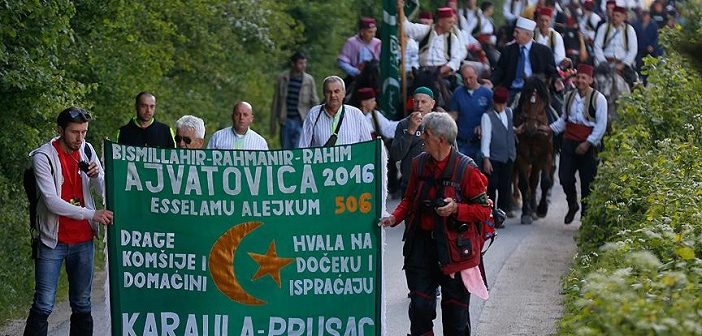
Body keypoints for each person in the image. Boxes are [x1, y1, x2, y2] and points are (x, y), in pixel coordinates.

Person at [379, 112, 491, 336]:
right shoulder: (419, 164)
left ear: (440, 139)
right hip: (421, 247)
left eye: (426, 135)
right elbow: (409, 199)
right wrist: (394, 217)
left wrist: (457, 209)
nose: (422, 139)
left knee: (455, 318)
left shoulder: (467, 170)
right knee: (419, 309)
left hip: (455, 251)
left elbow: (484, 211)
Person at [24, 107, 113, 336]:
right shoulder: (43, 157)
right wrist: (91, 214)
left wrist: (97, 177)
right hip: (52, 239)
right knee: (43, 304)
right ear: (60, 130)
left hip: (83, 240)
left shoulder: (88, 150)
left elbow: (104, 192)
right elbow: (52, 201)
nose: (80, 138)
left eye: (84, 132)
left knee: (82, 304)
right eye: (75, 132)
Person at [545, 64, 607, 224]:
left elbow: (601, 126)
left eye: (583, 78)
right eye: (578, 77)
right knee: (564, 177)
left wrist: (588, 143)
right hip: (569, 142)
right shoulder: (569, 97)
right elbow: (563, 121)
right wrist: (549, 129)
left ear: (590, 80)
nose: (580, 80)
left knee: (588, 181)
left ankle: (585, 217)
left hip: (588, 145)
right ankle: (572, 204)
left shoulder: (599, 99)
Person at [491, 17, 561, 104]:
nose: (514, 34)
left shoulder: (544, 51)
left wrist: (557, 80)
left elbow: (552, 72)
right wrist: (491, 82)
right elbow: (499, 70)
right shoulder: (508, 50)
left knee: (554, 113)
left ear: (528, 35)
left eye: (517, 32)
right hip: (511, 90)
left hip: (535, 91)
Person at [298, 76, 372, 148]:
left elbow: (367, 148)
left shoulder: (356, 114)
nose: (333, 95)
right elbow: (303, 147)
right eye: (329, 92)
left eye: (336, 91)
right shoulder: (314, 114)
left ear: (344, 93)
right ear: (324, 94)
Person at [390, 86, 437, 195]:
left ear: (432, 104)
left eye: (423, 102)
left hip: (435, 183)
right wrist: (410, 131)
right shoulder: (404, 124)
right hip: (410, 183)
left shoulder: (441, 123)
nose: (419, 106)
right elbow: (396, 155)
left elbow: (454, 152)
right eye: (416, 102)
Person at [271, 51, 320, 149]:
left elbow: (314, 100)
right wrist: (273, 124)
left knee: (298, 149)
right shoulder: (283, 78)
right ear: (293, 64)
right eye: (300, 63)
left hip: (301, 120)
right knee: (285, 150)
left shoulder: (309, 80)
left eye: (304, 63)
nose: (303, 66)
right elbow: (276, 102)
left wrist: (315, 121)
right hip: (286, 120)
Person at [480, 87, 516, 221]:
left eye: (503, 104)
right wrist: (486, 158)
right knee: (492, 185)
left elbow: (509, 130)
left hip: (508, 156)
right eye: (498, 104)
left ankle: (502, 213)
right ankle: (490, 213)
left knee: (505, 186)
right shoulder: (487, 116)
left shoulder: (509, 112)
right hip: (494, 157)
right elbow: (486, 138)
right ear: (494, 103)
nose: (501, 107)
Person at [401, 4, 465, 77]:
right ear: (440, 22)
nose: (452, 25)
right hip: (422, 72)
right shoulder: (425, 31)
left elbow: (456, 60)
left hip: (441, 74)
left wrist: (441, 71)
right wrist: (400, 9)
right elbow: (406, 28)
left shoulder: (452, 38)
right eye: (449, 22)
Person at [448, 63, 492, 164]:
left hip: (479, 143)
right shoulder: (458, 93)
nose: (468, 81)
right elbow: (454, 114)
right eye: (465, 79)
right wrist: (444, 116)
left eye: (471, 78)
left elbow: (492, 117)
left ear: (476, 75)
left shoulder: (487, 93)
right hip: (462, 142)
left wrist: (483, 126)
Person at [593, 6, 638, 82]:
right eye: (613, 15)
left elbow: (633, 50)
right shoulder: (603, 28)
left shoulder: (629, 29)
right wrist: (603, 62)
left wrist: (624, 64)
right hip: (605, 63)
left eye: (617, 16)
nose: (614, 17)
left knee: (634, 83)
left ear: (623, 17)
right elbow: (597, 46)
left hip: (622, 64)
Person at [337, 17, 382, 86]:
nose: (373, 35)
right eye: (370, 32)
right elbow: (342, 62)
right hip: (355, 76)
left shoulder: (378, 43)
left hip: (375, 77)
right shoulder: (351, 42)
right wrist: (355, 72)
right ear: (362, 32)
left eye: (374, 32)